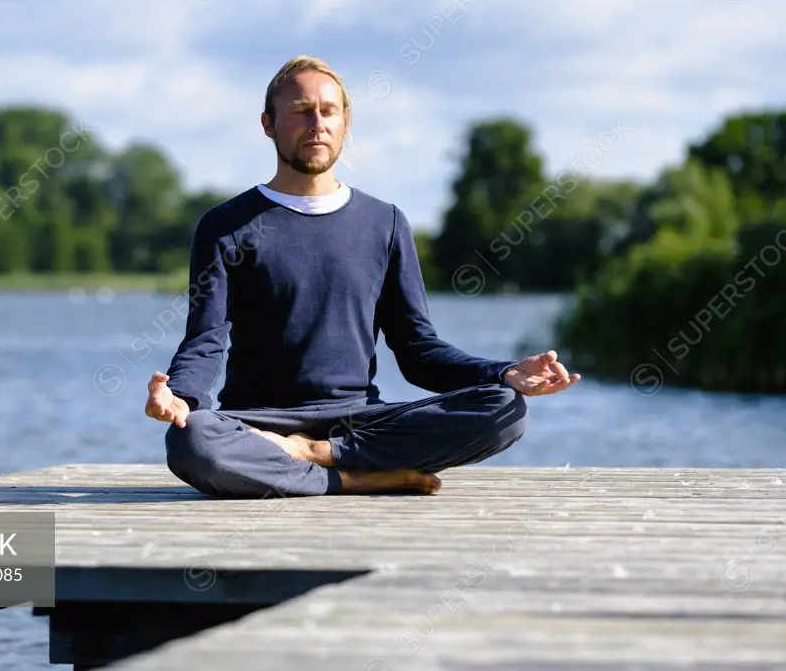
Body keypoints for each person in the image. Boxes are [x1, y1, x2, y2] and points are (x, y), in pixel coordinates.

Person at [144, 55, 580, 499]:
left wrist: (503, 372)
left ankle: (317, 455)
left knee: (504, 408)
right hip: (258, 422)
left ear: (345, 122)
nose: (316, 123)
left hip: (358, 420)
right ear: (268, 124)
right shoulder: (226, 226)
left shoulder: (384, 223)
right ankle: (349, 478)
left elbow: (418, 352)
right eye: (299, 111)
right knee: (191, 439)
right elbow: (205, 341)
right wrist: (182, 397)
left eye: (328, 111)